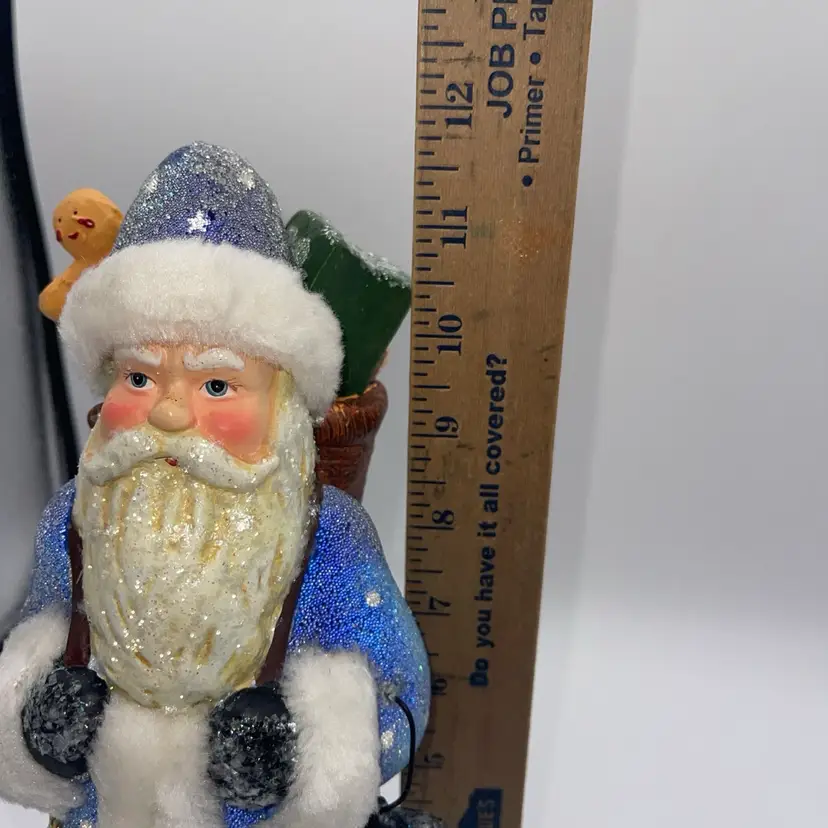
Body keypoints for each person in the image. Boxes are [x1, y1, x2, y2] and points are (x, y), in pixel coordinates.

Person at [0, 143, 429, 828]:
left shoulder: (330, 537)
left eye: (218, 385)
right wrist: (36, 716)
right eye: (139, 377)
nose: (170, 414)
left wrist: (302, 747)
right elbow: (33, 631)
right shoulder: (72, 522)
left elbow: (400, 692)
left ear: (282, 406)